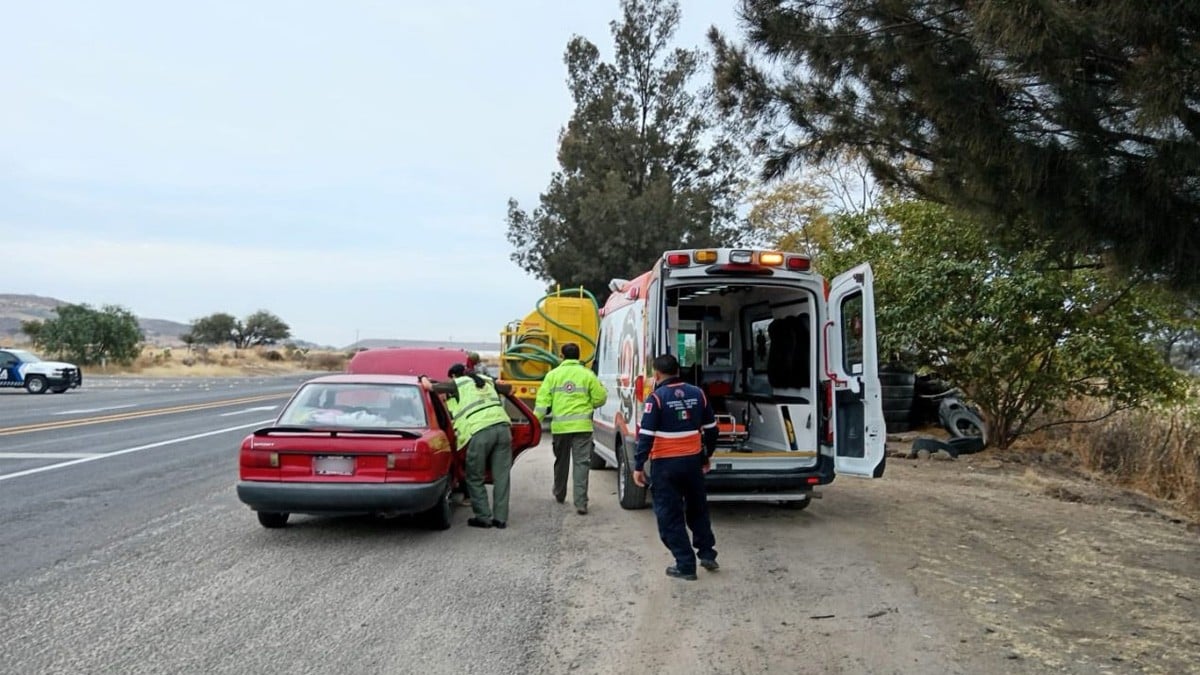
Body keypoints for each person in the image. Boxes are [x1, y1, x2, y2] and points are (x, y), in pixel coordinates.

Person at [633, 353, 719, 581]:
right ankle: (707, 553)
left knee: (669, 515)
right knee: (698, 508)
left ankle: (685, 565)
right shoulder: (698, 393)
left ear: (656, 374)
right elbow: (712, 430)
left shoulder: (656, 399)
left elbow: (646, 436)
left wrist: (638, 465)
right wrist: (706, 456)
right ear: (678, 371)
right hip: (692, 463)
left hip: (666, 466)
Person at [421, 364, 514, 529]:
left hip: (480, 432)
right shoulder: (487, 380)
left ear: (453, 376)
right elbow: (509, 389)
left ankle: (483, 517)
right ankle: (500, 519)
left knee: (474, 477)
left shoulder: (458, 383)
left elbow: (429, 387)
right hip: (504, 430)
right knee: (502, 477)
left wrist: (423, 377)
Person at [533, 343, 607, 515]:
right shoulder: (588, 375)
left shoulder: (552, 375)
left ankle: (560, 493)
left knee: (561, 461)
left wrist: (535, 423)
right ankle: (581, 503)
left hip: (560, 428)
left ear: (562, 356)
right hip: (582, 427)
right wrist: (589, 404)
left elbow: (542, 404)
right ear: (579, 356)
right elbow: (600, 398)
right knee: (582, 463)